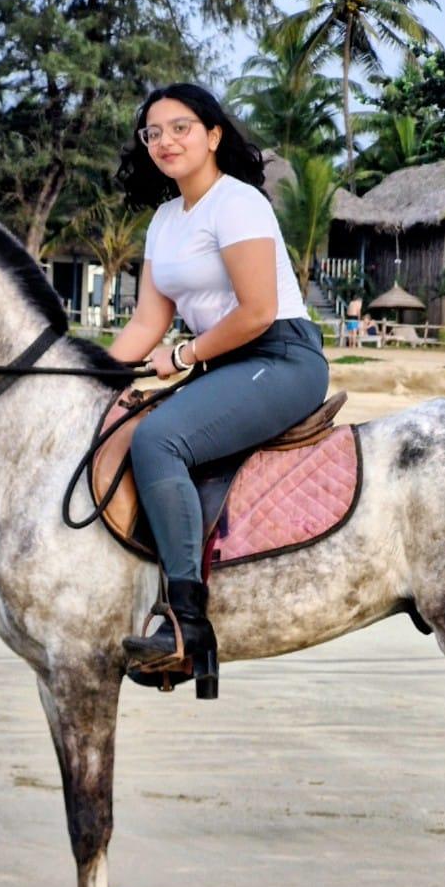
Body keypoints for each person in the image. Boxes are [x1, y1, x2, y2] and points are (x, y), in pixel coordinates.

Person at [110, 83, 330, 695]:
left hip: (281, 357)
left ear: (211, 136)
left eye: (179, 128)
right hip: (226, 365)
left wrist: (184, 354)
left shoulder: (237, 204)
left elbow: (258, 311)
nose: (164, 142)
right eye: (152, 133)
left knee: (158, 440)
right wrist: (93, 373)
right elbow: (146, 322)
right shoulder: (164, 220)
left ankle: (186, 623)